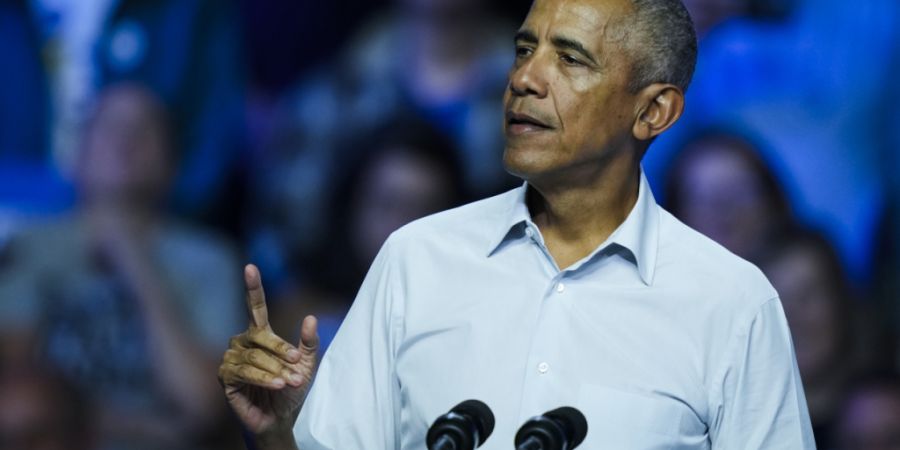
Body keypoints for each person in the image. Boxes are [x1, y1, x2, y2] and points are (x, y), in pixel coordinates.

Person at [218, 0, 815, 448]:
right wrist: (282, 436)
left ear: (653, 111)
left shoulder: (733, 305)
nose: (525, 79)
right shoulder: (415, 259)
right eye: (525, 49)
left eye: (571, 59)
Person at [0, 83, 244, 450]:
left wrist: (135, 261)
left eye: (145, 129)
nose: (126, 141)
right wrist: (142, 427)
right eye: (110, 127)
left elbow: (202, 404)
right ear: (77, 155)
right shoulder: (31, 246)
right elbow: (16, 398)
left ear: (172, 163)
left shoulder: (211, 259)